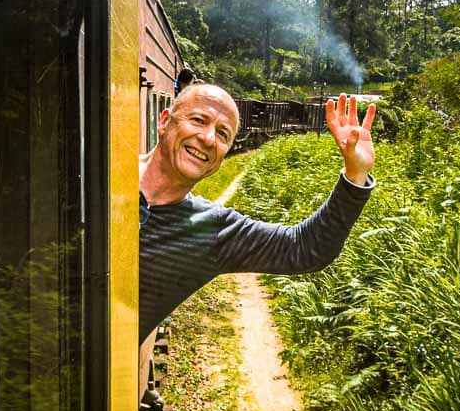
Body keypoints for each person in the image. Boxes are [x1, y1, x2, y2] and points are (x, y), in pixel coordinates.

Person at [137, 83, 377, 341]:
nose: (208, 139)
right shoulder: (98, 170)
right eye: (198, 120)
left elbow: (306, 247)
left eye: (222, 134)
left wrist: (356, 174)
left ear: (225, 153)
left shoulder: (212, 230)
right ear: (164, 122)